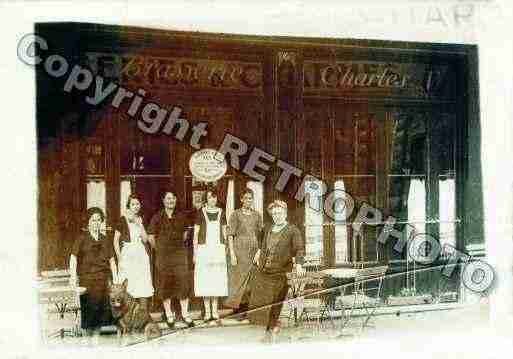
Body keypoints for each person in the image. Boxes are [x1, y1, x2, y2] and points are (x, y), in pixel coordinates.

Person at [248, 200, 305, 342]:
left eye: (279, 213)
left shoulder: (292, 230)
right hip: (265, 271)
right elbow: (262, 243)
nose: (277, 216)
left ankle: (270, 331)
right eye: (274, 214)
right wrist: (259, 252)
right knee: (264, 302)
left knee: (275, 302)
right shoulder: (268, 228)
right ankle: (270, 329)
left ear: (285, 213)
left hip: (281, 272)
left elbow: (299, 249)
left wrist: (298, 264)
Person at [148, 191, 195, 329]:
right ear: (163, 200)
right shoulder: (157, 217)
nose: (171, 201)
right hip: (163, 257)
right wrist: (160, 250)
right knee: (165, 285)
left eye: (173, 198)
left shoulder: (181, 216)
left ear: (175, 200)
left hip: (179, 255)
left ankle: (185, 315)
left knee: (183, 284)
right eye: (168, 198)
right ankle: (169, 315)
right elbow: (151, 237)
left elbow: (186, 234)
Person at [69, 207, 118, 336]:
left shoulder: (105, 239)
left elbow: (112, 260)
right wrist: (73, 277)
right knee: (90, 316)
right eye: (93, 220)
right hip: (88, 281)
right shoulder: (82, 238)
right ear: (88, 222)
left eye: (98, 220)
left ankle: (96, 340)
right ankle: (88, 340)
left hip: (103, 280)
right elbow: (73, 258)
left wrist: (116, 278)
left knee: (101, 317)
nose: (96, 223)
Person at [225, 189, 263, 318]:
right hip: (238, 251)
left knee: (250, 281)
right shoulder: (235, 215)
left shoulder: (257, 215)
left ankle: (247, 309)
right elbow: (230, 235)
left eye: (250, 198)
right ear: (241, 200)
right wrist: (232, 254)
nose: (248, 201)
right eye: (246, 198)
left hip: (252, 251)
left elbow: (261, 235)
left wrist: (259, 251)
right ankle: (238, 309)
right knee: (237, 280)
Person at [113, 194, 154, 312]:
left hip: (140, 254)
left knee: (142, 284)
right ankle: (128, 315)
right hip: (127, 254)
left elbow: (145, 239)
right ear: (128, 206)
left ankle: (142, 315)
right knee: (129, 284)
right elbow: (115, 241)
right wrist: (120, 258)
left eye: (137, 204)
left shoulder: (140, 219)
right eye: (133, 204)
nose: (136, 206)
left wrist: (139, 224)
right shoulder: (122, 219)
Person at [193, 189, 228, 322]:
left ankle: (215, 311)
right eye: (210, 198)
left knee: (216, 279)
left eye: (214, 197)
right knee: (205, 280)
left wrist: (226, 248)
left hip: (218, 250)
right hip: (204, 250)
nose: (212, 200)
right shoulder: (200, 213)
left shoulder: (221, 212)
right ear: (206, 199)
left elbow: (225, 232)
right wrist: (195, 253)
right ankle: (207, 312)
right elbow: (196, 234)